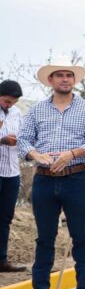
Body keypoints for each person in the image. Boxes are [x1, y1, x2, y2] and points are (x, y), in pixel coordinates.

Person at [17, 56, 85, 289]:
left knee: (80, 236)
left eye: (69, 75)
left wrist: (71, 154)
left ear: (74, 81)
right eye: (59, 75)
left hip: (76, 178)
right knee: (44, 238)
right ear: (51, 81)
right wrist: (35, 155)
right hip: (43, 179)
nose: (65, 79)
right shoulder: (35, 110)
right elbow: (23, 140)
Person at [0, 80, 25, 273]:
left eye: (13, 102)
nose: (10, 105)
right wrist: (2, 140)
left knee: (5, 218)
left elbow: (24, 136)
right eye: (7, 101)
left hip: (12, 172)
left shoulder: (17, 113)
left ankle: (2, 260)